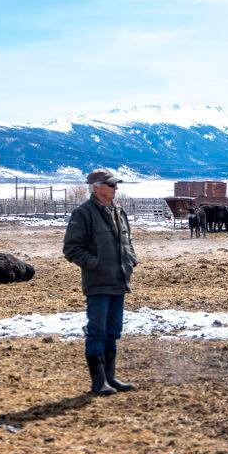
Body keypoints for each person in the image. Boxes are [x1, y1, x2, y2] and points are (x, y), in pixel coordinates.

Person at [62, 169, 139, 396]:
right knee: (97, 331)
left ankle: (111, 378)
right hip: (98, 283)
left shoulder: (119, 212)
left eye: (115, 185)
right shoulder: (83, 214)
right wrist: (95, 264)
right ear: (96, 188)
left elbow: (128, 240)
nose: (115, 189)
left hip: (118, 281)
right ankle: (98, 383)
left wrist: (131, 258)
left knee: (113, 332)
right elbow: (71, 249)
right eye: (111, 185)